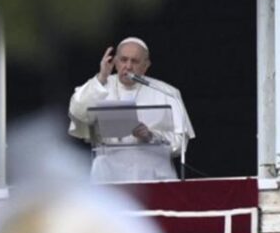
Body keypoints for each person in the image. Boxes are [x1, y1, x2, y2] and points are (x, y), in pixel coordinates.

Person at [68, 37, 195, 183]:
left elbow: (180, 143)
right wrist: (102, 77)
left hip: (155, 176)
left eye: (135, 61)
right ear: (115, 62)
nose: (128, 66)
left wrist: (151, 136)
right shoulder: (99, 86)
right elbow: (77, 113)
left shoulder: (167, 92)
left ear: (146, 65)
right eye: (123, 60)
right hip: (110, 176)